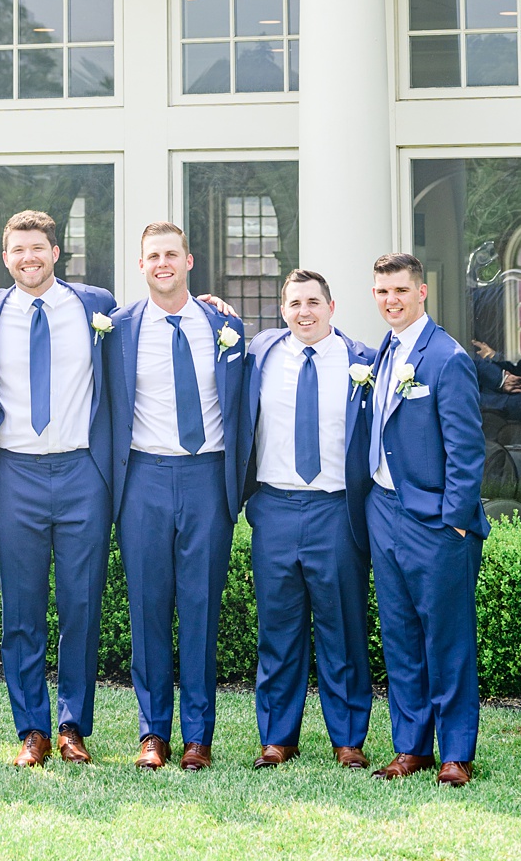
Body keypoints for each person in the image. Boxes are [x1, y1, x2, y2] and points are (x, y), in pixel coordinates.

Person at [0, 209, 119, 766]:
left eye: (38, 248)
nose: (28, 258)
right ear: (5, 258)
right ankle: (33, 728)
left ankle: (73, 724)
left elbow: (155, 315)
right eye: (17, 251)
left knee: (81, 604)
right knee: (21, 610)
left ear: (56, 253)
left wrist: (211, 304)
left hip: (81, 472)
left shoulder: (95, 304)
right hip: (14, 473)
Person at [107, 221, 248, 771]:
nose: (162, 263)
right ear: (140, 266)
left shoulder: (223, 324)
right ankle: (152, 734)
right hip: (142, 476)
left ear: (190, 260)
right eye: (152, 256)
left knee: (200, 608)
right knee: (147, 607)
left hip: (206, 477)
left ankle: (198, 735)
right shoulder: (116, 329)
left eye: (172, 254)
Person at [241, 268, 376, 769]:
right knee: (278, 629)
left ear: (331, 306)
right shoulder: (259, 355)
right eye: (295, 303)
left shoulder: (363, 360)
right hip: (274, 508)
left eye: (313, 302)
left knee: (342, 628)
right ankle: (277, 737)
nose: (304, 312)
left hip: (335, 510)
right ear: (282, 309)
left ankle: (347, 739)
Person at [365, 253, 485, 787]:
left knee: (447, 638)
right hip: (384, 512)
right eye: (382, 292)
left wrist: (454, 522)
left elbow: (466, 449)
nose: (391, 300)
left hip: (435, 522)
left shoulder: (447, 358)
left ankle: (456, 751)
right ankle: (410, 747)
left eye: (399, 291)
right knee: (400, 636)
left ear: (422, 293)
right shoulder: (381, 353)